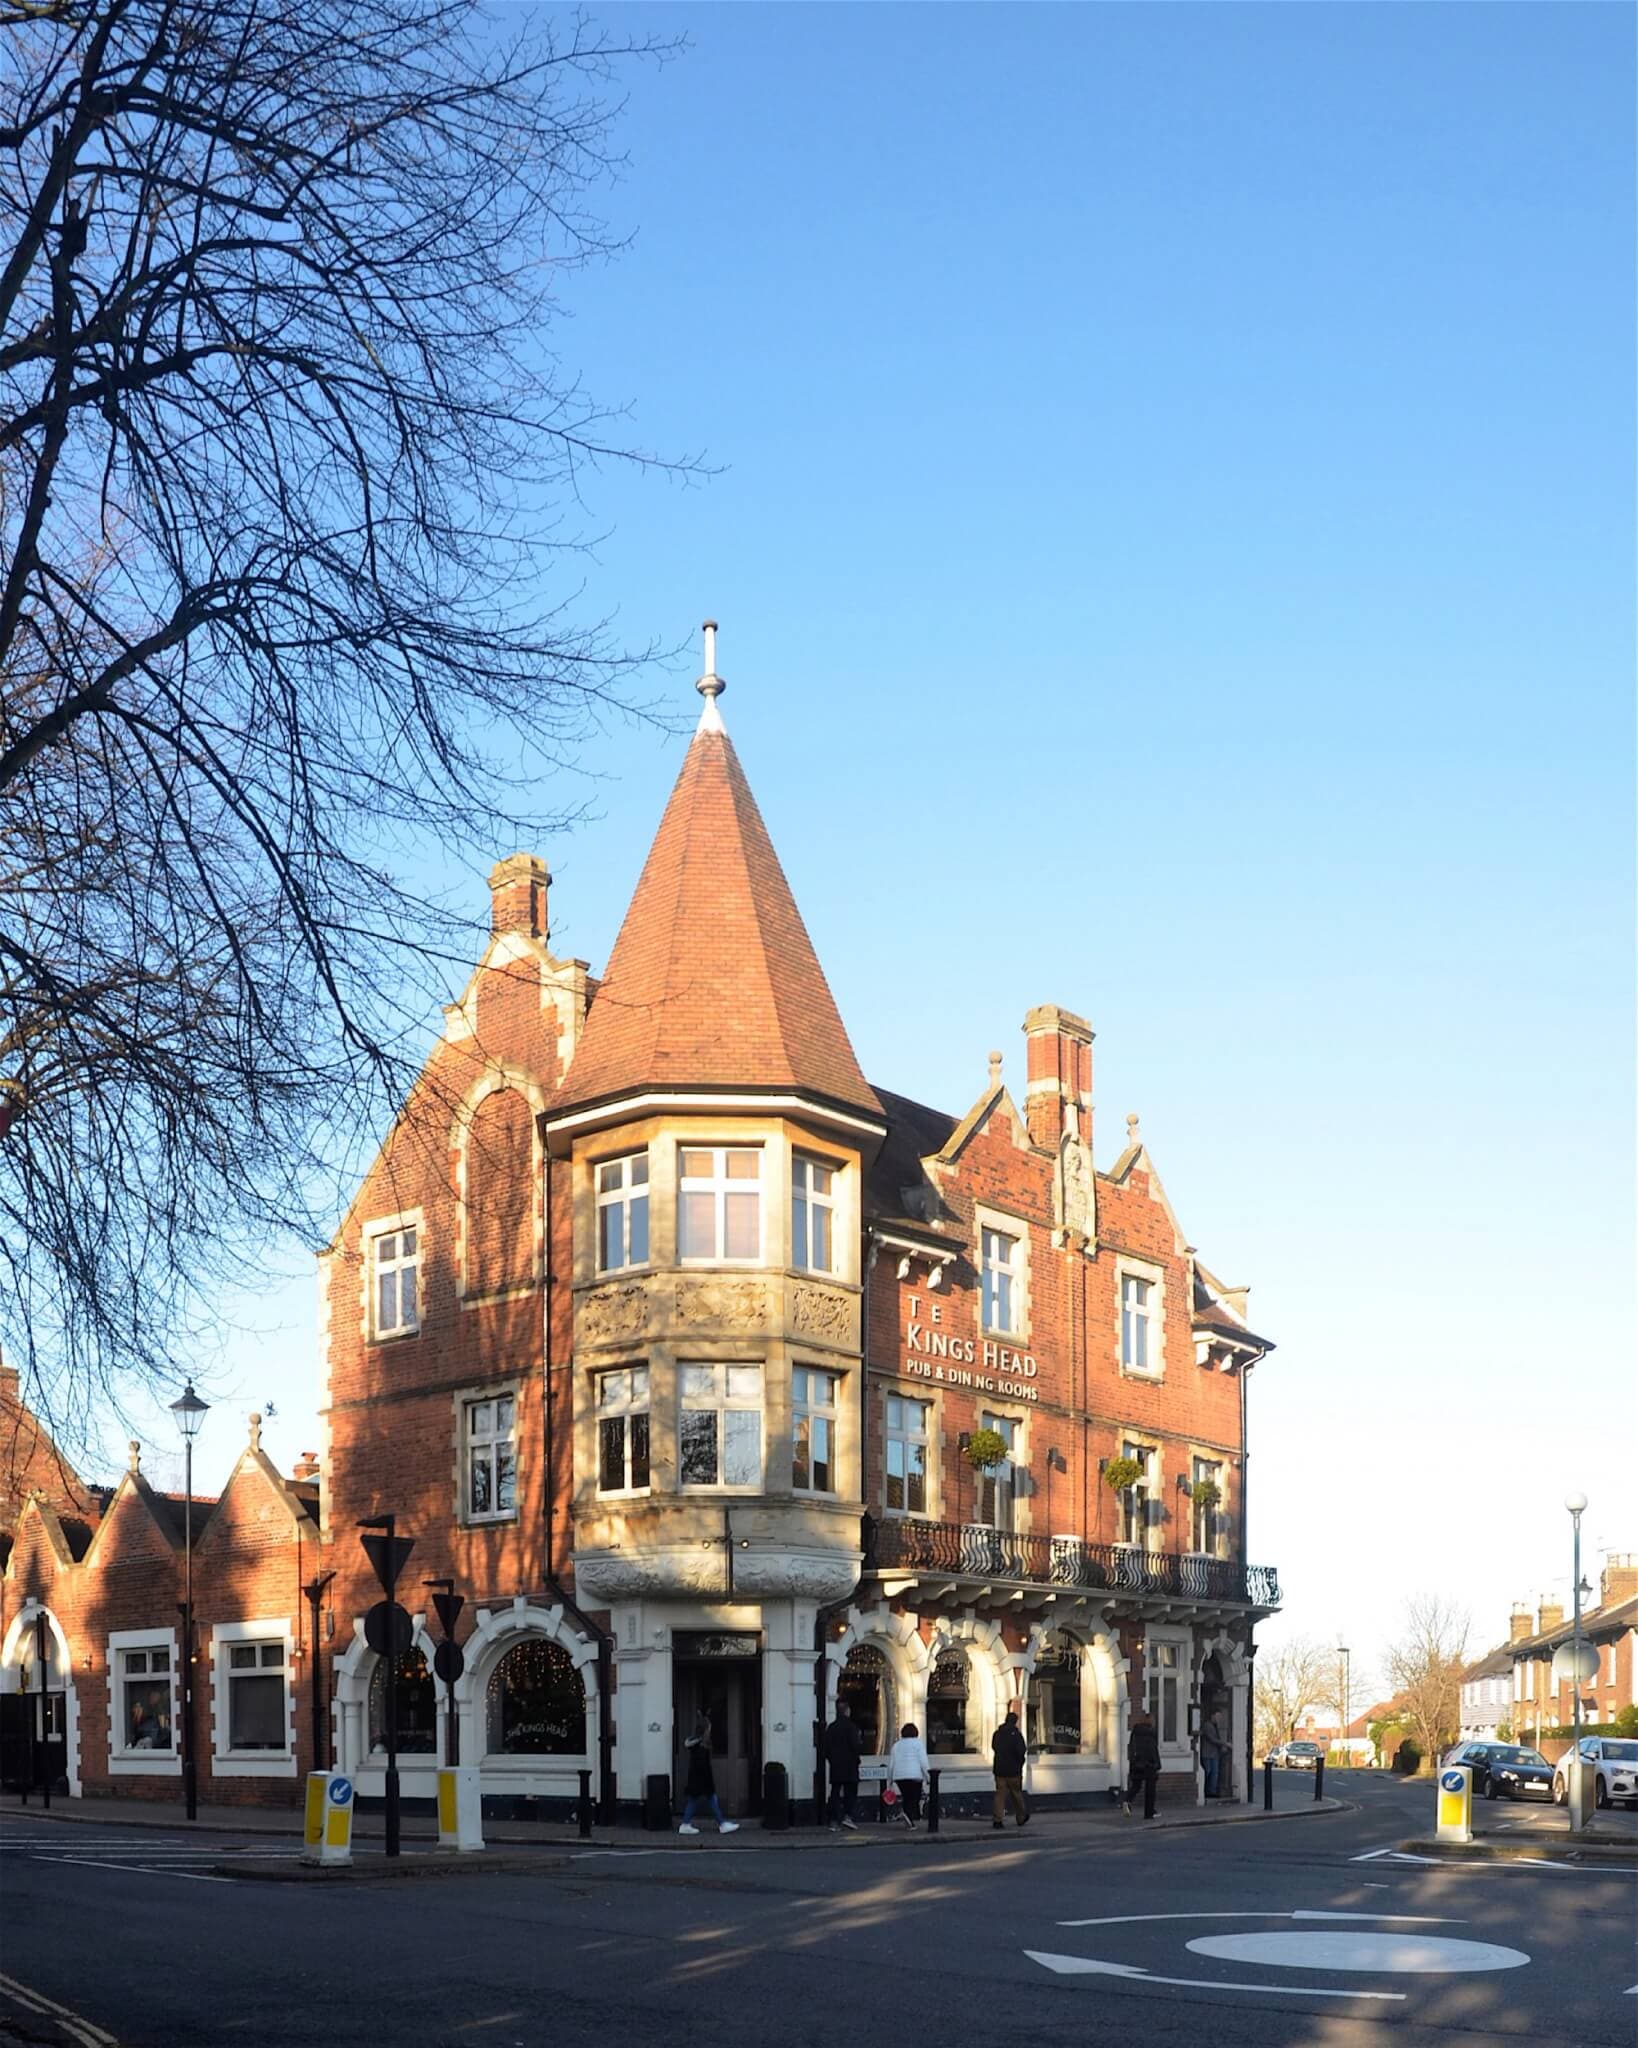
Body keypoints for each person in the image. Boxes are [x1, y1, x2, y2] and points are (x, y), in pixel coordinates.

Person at [678, 1712, 739, 1835]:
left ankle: (686, 1824)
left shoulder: (696, 1744)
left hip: (696, 1778)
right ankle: (721, 1824)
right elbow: (703, 1766)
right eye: (709, 1728)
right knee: (708, 1799)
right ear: (705, 1730)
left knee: (697, 1801)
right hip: (701, 1779)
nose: (710, 1730)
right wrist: (708, 1781)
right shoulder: (701, 1746)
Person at [822, 1698, 864, 1831]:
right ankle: (847, 1817)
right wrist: (857, 1758)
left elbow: (825, 1748)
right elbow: (855, 1746)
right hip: (850, 1765)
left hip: (836, 1766)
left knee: (835, 1792)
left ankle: (834, 1821)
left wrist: (832, 1760)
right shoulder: (852, 1727)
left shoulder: (831, 1728)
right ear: (847, 1711)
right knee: (850, 1792)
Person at [990, 1709, 1030, 1829]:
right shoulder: (1016, 1735)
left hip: (1000, 1770)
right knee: (1016, 1794)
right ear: (1015, 1722)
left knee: (1000, 1795)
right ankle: (1021, 1816)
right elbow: (1021, 1751)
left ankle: (997, 1820)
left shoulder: (997, 1734)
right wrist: (1020, 1763)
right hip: (1013, 1771)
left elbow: (994, 1747)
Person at [888, 1720, 930, 1828]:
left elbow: (892, 1763)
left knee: (906, 1797)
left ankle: (909, 1821)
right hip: (914, 1775)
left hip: (900, 1776)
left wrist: (890, 1780)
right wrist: (928, 1777)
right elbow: (923, 1762)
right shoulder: (918, 1744)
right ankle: (908, 1816)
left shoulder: (896, 1745)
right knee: (914, 1798)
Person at [1126, 1708, 1161, 1819]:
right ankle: (1149, 1812)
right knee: (1150, 1789)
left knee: (1136, 1785)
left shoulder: (1135, 1732)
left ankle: (1126, 1800)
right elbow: (1152, 1750)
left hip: (1136, 1763)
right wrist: (1157, 1764)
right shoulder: (1150, 1733)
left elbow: (1131, 1747)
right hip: (1149, 1764)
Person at [1200, 1707, 1228, 1800]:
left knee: (1214, 1773)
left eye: (1220, 1717)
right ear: (1212, 1715)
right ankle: (1206, 1790)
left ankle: (1212, 1791)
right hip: (1207, 1753)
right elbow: (1212, 1739)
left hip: (1214, 1754)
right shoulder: (1207, 1725)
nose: (1219, 1718)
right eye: (1217, 1716)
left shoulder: (1215, 1726)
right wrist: (1224, 1743)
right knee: (1208, 1772)